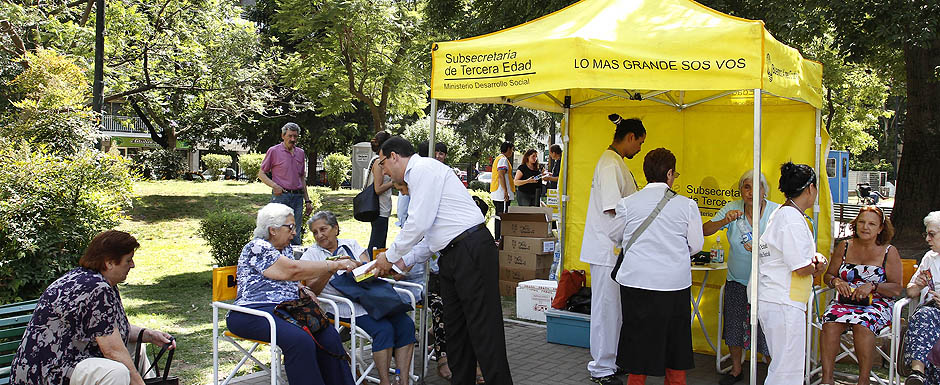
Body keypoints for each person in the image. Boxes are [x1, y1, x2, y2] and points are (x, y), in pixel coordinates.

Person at [370, 137, 513, 385]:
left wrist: (389, 258)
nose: (383, 171)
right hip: (451, 256)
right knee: (455, 331)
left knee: (484, 329)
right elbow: (433, 234)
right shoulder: (419, 176)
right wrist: (403, 262)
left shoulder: (423, 170)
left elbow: (418, 223)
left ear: (394, 156)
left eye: (382, 164)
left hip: (470, 250)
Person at [11, 230, 177, 385]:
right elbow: (112, 351)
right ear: (109, 263)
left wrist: (149, 335)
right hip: (47, 372)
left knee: (135, 347)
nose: (132, 265)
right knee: (116, 372)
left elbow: (109, 329)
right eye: (128, 260)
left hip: (69, 361)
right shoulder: (96, 288)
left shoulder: (98, 281)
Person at [225, 203, 357, 385]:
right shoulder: (257, 247)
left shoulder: (285, 248)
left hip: (287, 309)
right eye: (291, 227)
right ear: (273, 230)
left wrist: (301, 288)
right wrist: (333, 265)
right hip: (252, 312)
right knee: (300, 340)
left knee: (329, 336)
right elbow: (292, 270)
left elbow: (286, 278)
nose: (294, 233)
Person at [607, 148, 703, 385]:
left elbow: (615, 235)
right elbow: (696, 245)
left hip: (636, 282)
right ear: (669, 173)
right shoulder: (687, 205)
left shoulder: (627, 204)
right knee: (675, 343)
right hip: (674, 284)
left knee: (637, 342)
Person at [301, 211, 416, 385]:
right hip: (342, 306)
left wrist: (357, 265)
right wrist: (330, 269)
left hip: (370, 299)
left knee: (406, 325)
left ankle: (402, 379)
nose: (319, 235)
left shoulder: (351, 245)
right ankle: (385, 381)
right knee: (383, 330)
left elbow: (371, 272)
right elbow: (312, 290)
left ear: (335, 228)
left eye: (323, 229)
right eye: (315, 232)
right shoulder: (312, 255)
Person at [581, 114, 646, 385]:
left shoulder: (616, 162)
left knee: (615, 310)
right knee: (606, 310)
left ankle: (612, 360)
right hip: (607, 248)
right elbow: (612, 208)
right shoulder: (610, 163)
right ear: (630, 137)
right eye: (639, 143)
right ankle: (601, 367)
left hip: (614, 249)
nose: (639, 149)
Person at [703, 170, 778, 385]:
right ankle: (736, 369)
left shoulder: (776, 212)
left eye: (757, 187)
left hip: (767, 283)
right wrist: (723, 221)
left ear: (765, 191)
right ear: (741, 190)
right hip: (737, 279)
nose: (751, 192)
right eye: (747, 187)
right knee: (734, 326)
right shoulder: (732, 208)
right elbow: (705, 230)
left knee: (766, 330)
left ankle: (773, 373)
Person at [756, 162, 827, 385]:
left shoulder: (782, 213)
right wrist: (820, 265)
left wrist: (813, 259)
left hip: (780, 300)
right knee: (787, 372)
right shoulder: (791, 218)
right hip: (783, 301)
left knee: (784, 368)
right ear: (811, 189)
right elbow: (800, 267)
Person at [819, 206, 902, 385]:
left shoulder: (889, 251)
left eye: (872, 224)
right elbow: (828, 275)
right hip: (845, 301)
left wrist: (873, 286)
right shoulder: (844, 246)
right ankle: (827, 379)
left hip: (876, 303)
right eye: (862, 222)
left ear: (880, 228)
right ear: (855, 224)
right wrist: (836, 282)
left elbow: (896, 288)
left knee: (862, 324)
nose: (865, 227)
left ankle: (864, 380)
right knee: (830, 322)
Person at [258, 122, 314, 245]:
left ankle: (294, 256)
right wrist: (274, 186)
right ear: (283, 136)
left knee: (295, 233)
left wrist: (307, 201)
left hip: (298, 197)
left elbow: (302, 178)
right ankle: (276, 255)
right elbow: (261, 174)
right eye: (290, 136)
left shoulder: (300, 153)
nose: (292, 139)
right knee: (278, 231)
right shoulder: (274, 151)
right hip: (281, 196)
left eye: (295, 136)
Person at [901, 211, 940, 385]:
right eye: (926, 234)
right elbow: (910, 292)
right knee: (924, 315)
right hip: (933, 312)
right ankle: (917, 374)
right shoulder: (929, 258)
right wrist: (917, 285)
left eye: (932, 234)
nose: (927, 239)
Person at [368, 130, 394, 253]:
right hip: (379, 209)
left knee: (379, 244)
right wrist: (394, 182)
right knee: (376, 245)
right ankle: (370, 264)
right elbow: (377, 189)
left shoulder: (378, 160)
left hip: (382, 208)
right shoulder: (378, 162)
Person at [490, 141, 515, 239]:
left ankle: (498, 238)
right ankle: (499, 238)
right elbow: (501, 175)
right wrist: (505, 191)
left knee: (499, 216)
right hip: (501, 193)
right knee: (501, 217)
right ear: (508, 149)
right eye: (511, 150)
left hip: (498, 192)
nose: (512, 152)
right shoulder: (503, 159)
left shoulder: (499, 158)